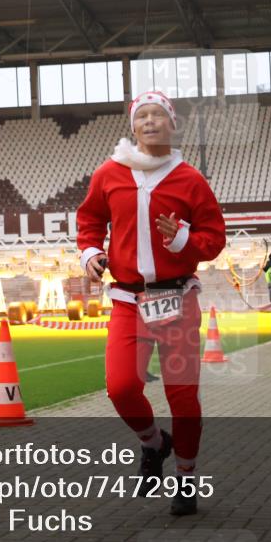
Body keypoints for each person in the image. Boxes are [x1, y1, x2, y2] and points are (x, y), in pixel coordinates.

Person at [76, 90, 226, 516]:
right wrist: (91, 253)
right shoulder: (109, 173)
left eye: (158, 114)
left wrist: (182, 239)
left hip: (178, 299)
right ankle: (154, 443)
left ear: (172, 123)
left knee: (183, 399)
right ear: (133, 126)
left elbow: (214, 239)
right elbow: (89, 220)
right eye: (141, 115)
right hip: (128, 300)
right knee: (121, 388)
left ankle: (186, 477)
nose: (149, 121)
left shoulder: (190, 179)